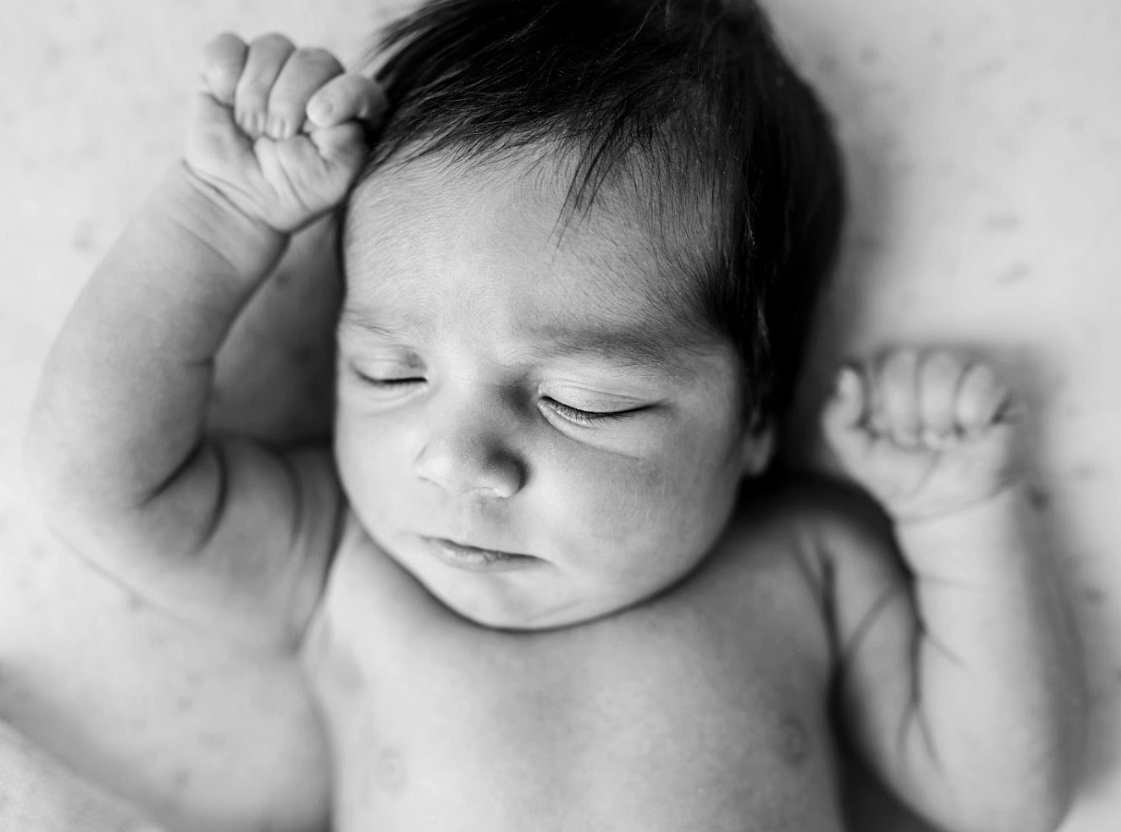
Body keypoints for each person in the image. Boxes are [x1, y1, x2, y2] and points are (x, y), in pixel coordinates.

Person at [22, 0, 1085, 830]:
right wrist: (217, 221)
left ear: (755, 418)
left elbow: (1004, 797)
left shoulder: (807, 562)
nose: (455, 460)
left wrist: (963, 520)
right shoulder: (341, 563)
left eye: (583, 401)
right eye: (389, 372)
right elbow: (100, 482)